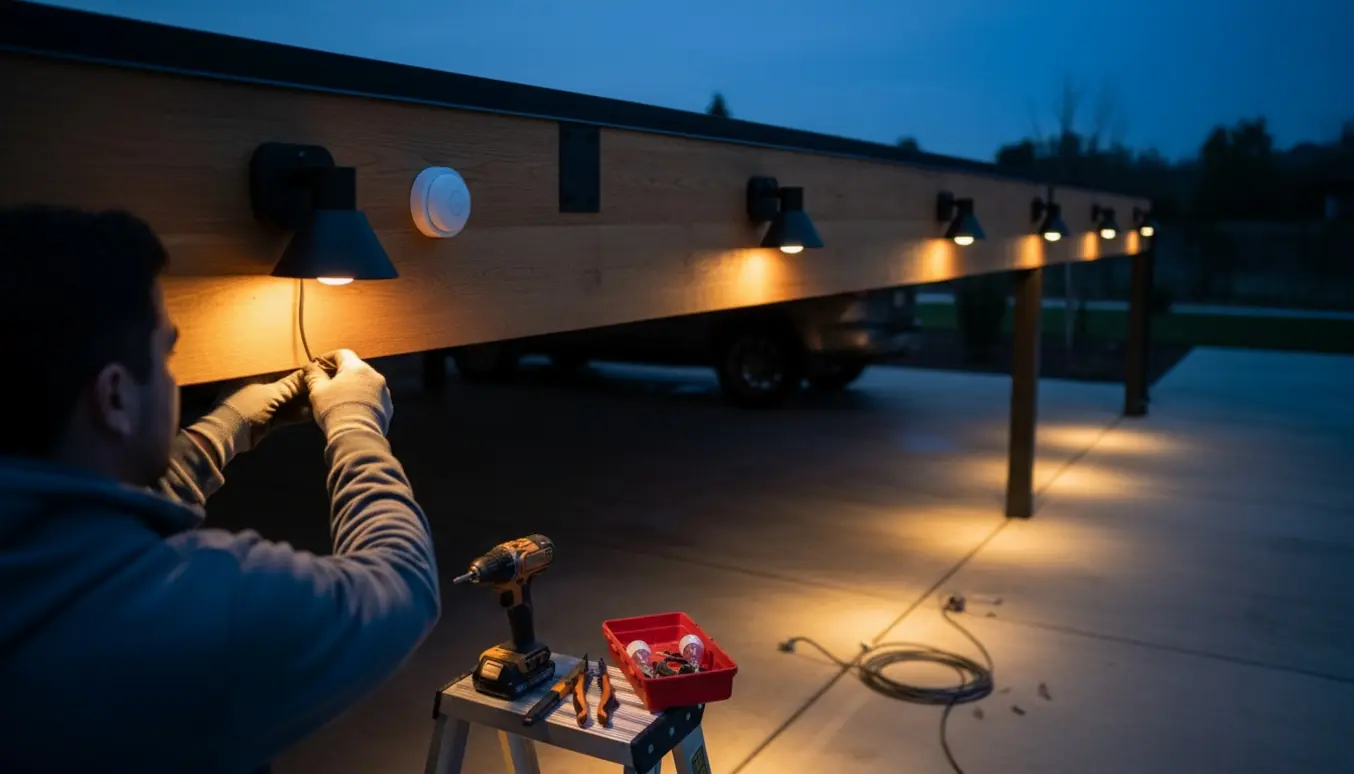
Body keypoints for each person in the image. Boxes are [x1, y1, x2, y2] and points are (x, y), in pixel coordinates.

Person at [0, 205, 441, 773]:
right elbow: (402, 584)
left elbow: (80, 530)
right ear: (114, 398)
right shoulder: (195, 611)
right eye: (166, 356)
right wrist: (356, 426)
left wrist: (224, 429)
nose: (172, 378)